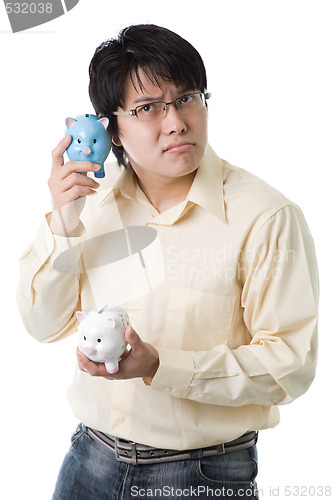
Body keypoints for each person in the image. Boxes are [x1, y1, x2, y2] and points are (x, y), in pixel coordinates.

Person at [17, 24, 319, 500]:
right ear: (109, 127)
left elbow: (290, 364)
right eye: (148, 108)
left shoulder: (265, 217)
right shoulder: (87, 202)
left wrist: (162, 365)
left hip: (201, 475)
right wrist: (63, 221)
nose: (176, 121)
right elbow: (41, 324)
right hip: (86, 462)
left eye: (187, 98)